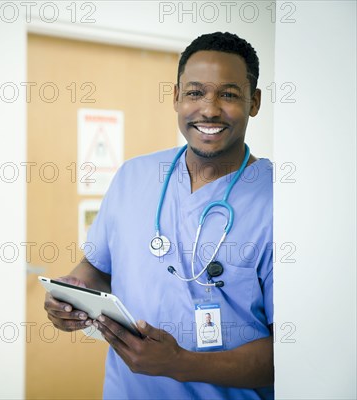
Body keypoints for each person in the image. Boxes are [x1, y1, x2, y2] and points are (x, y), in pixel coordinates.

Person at [44, 32, 273, 399]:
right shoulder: (133, 176)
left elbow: (294, 350)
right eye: (195, 92)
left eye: (228, 94)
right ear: (176, 98)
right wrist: (71, 297)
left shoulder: (282, 200)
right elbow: (98, 268)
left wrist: (179, 363)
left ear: (255, 102)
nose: (210, 109)